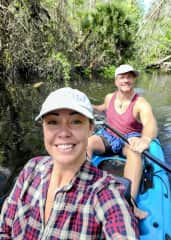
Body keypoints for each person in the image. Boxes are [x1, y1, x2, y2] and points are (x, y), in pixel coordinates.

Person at [0, 87, 139, 239]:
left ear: (90, 128)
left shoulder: (105, 193)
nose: (64, 132)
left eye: (75, 121)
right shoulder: (31, 168)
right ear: (44, 128)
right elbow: (4, 226)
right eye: (53, 122)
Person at [87, 64, 158, 220]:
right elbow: (102, 108)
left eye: (129, 77)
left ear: (134, 79)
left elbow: (150, 123)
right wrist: (88, 106)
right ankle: (81, 185)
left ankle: (129, 203)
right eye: (122, 77)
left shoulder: (141, 103)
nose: (126, 80)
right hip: (109, 137)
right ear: (116, 81)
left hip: (129, 140)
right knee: (88, 142)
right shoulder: (109, 97)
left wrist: (145, 139)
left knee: (135, 152)